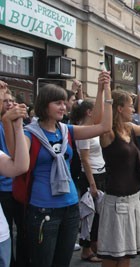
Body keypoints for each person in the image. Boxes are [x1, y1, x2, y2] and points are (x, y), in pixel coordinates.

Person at [4, 71, 112, 267]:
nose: (64, 107)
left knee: (62, 262)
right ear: (45, 105)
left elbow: (104, 126)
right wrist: (8, 123)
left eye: (64, 102)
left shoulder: (67, 130)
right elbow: (16, 159)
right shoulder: (30, 134)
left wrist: (106, 90)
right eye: (58, 103)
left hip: (70, 208)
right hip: (43, 209)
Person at [98, 89, 140, 266]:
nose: (133, 110)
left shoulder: (129, 128)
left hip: (134, 197)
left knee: (127, 253)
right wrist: (104, 90)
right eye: (130, 106)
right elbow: (101, 119)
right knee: (112, 254)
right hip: (117, 201)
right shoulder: (108, 133)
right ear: (118, 108)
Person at [69, 99, 106, 263]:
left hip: (101, 173)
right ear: (89, 112)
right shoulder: (83, 131)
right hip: (91, 176)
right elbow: (85, 159)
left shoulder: (93, 129)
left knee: (98, 214)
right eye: (97, 109)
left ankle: (93, 245)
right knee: (89, 213)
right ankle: (86, 249)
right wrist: (92, 184)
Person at [0, 93, 29, 267]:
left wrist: (17, 126)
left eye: (12, 100)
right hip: (3, 188)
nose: (10, 104)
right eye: (5, 101)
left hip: (16, 186)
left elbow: (19, 164)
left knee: (23, 230)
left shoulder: (16, 124)